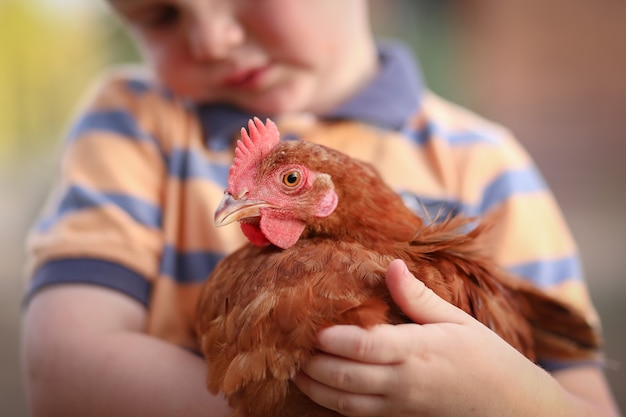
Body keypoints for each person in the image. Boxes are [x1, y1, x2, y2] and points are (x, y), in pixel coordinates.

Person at [21, 1, 621, 416]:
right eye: (160, 14)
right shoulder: (135, 126)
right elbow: (61, 374)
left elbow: (583, 399)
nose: (213, 40)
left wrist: (500, 403)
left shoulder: (487, 162)